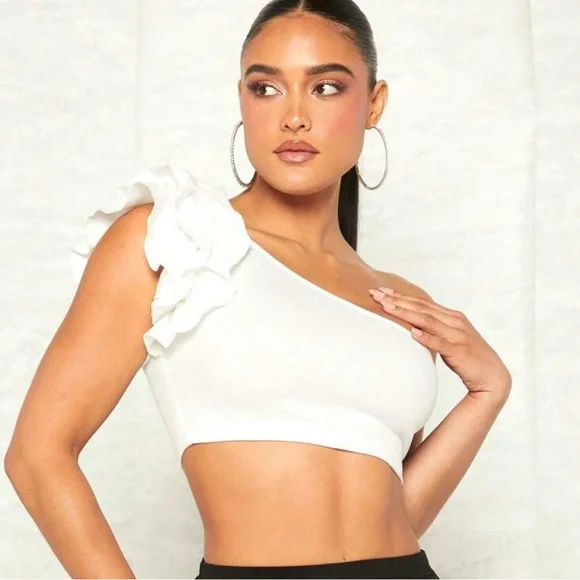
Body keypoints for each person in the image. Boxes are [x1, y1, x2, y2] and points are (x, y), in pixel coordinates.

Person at [4, 1, 512, 578]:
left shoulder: (398, 301)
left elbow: (397, 518)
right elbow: (37, 455)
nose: (294, 117)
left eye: (325, 87)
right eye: (266, 88)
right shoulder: (177, 239)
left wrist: (488, 391)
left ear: (374, 103)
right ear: (242, 101)